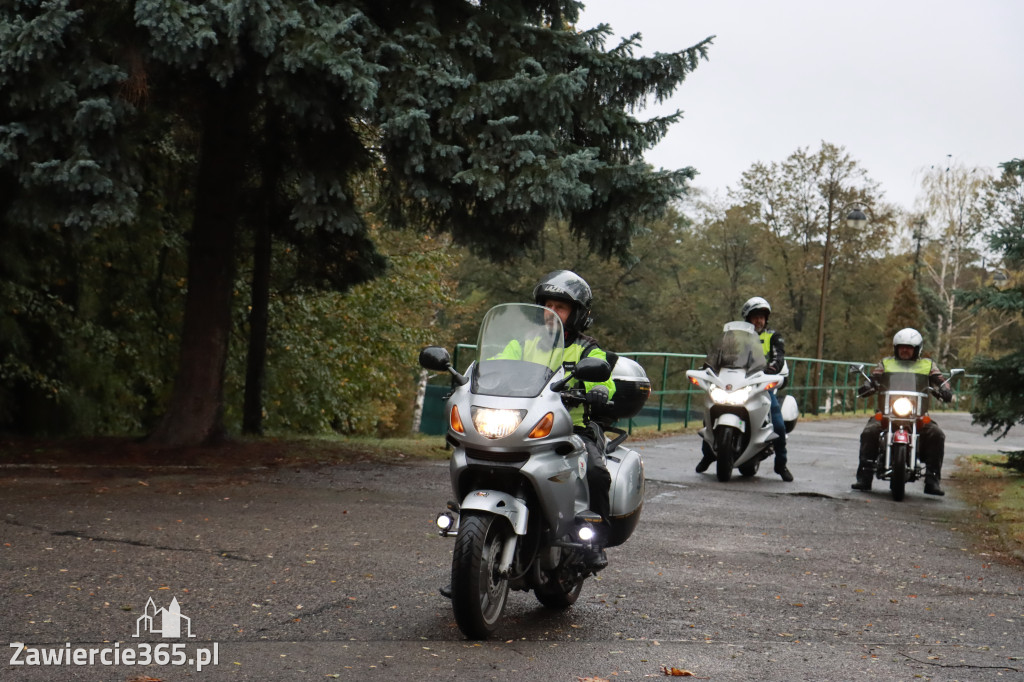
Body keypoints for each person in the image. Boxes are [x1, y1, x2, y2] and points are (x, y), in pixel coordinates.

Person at [532, 270, 618, 570]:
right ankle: (471, 554)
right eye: (548, 306)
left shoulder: (587, 349)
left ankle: (596, 540)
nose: (551, 313)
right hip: (529, 428)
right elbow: (495, 366)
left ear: (577, 314)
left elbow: (606, 382)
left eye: (560, 307)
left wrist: (596, 390)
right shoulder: (525, 344)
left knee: (595, 471)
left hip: (573, 429)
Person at [695, 296, 793, 481]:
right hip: (733, 381)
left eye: (762, 316)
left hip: (761, 383)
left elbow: (778, 358)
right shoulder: (734, 337)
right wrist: (709, 366)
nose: (759, 320)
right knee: (709, 414)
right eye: (755, 316)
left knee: (778, 424)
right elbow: (720, 354)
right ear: (747, 318)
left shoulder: (773, 336)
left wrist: (770, 370)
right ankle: (708, 455)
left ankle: (781, 465)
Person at [852, 328, 952, 496]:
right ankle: (864, 477)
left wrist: (945, 389)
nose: (905, 350)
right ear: (895, 348)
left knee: (937, 434)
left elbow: (940, 380)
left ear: (917, 349)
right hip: (887, 412)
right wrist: (869, 384)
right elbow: (874, 377)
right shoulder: (886, 363)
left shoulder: (927, 364)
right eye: (901, 347)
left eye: (909, 347)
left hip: (918, 414)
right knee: (870, 431)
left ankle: (932, 480)